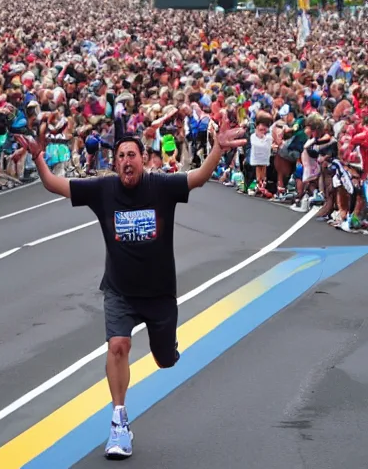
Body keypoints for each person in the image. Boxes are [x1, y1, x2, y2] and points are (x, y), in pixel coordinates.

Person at [16, 121, 245, 459]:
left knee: (165, 361)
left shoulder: (161, 186)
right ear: (116, 162)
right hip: (120, 291)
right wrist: (38, 159)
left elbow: (197, 178)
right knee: (118, 345)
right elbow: (54, 185)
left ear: (143, 159)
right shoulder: (103, 189)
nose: (126, 161)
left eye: (132, 155)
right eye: (121, 155)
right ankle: (119, 421)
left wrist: (217, 150)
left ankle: (164, 349)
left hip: (159, 293)